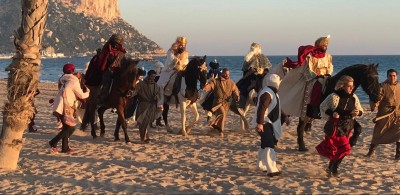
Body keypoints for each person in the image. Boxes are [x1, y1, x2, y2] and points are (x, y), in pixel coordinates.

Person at [279, 35, 334, 151]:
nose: (326, 47)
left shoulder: (328, 56)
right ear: (319, 45)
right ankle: (311, 111)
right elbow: (308, 71)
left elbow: (330, 68)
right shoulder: (311, 56)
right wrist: (318, 76)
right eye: (324, 44)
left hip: (326, 78)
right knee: (315, 91)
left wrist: (327, 75)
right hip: (313, 80)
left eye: (327, 45)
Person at [317, 75, 363, 177]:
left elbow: (360, 110)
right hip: (336, 127)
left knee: (340, 151)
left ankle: (330, 167)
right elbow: (323, 107)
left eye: (353, 86)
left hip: (348, 126)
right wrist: (332, 113)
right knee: (345, 149)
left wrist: (357, 112)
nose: (352, 88)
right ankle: (334, 168)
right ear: (342, 86)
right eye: (349, 86)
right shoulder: (333, 96)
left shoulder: (354, 97)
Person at [49, 63, 90, 154]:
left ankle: (65, 148)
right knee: (71, 127)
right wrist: (88, 92)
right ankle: (53, 142)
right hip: (66, 107)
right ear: (73, 71)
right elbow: (81, 95)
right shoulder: (74, 81)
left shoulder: (63, 80)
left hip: (59, 105)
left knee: (66, 127)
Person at [252, 74, 283, 177]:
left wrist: (285, 117)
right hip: (265, 123)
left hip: (267, 122)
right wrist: (260, 123)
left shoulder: (273, 93)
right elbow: (262, 109)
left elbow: (275, 107)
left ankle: (260, 166)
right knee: (269, 144)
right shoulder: (267, 93)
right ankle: (271, 169)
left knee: (264, 144)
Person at [366, 69, 400, 160]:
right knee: (378, 133)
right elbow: (377, 99)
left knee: (399, 132)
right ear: (387, 76)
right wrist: (374, 105)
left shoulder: (399, 86)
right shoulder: (382, 86)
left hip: (397, 113)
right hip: (384, 113)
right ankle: (371, 150)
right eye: (390, 76)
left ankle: (398, 153)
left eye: (394, 76)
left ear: (396, 76)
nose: (392, 77)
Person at [157, 36, 189, 130]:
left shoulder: (185, 53)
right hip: (170, 70)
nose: (182, 46)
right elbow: (170, 61)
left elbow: (186, 61)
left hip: (181, 71)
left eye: (184, 45)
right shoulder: (171, 51)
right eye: (181, 44)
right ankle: (162, 100)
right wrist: (177, 59)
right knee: (163, 84)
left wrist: (184, 65)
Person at [203, 68, 240, 137]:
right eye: (225, 74)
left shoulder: (231, 82)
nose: (227, 75)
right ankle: (221, 132)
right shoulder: (216, 81)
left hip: (226, 104)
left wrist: (236, 96)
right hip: (217, 103)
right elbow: (210, 86)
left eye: (228, 74)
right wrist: (206, 86)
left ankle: (215, 129)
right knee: (222, 114)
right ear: (222, 73)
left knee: (223, 118)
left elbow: (235, 90)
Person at [237, 43, 272, 108]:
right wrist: (252, 71)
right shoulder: (249, 57)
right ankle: (241, 104)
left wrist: (261, 71)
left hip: (261, 76)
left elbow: (267, 69)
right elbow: (245, 70)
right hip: (251, 77)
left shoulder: (262, 57)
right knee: (245, 87)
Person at [134, 70, 164, 143]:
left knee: (148, 122)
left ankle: (147, 137)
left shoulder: (156, 85)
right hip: (143, 105)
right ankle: (142, 138)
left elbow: (159, 95)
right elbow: (135, 92)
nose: (153, 78)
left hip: (152, 106)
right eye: (152, 76)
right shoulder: (141, 84)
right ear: (148, 75)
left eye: (154, 76)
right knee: (143, 122)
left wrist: (159, 102)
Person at [97, 34, 127, 103]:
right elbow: (102, 61)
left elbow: (123, 62)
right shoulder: (106, 50)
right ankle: (102, 99)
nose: (116, 45)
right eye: (115, 43)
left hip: (118, 71)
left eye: (118, 44)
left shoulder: (122, 52)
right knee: (106, 84)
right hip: (108, 70)